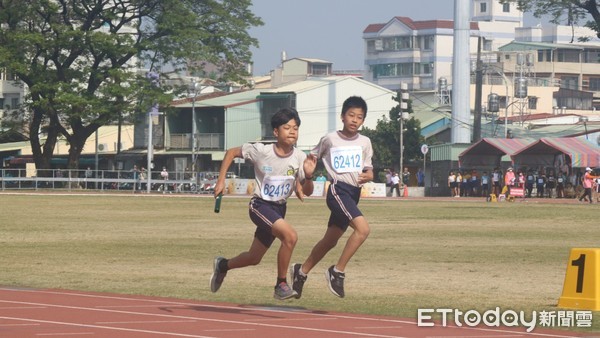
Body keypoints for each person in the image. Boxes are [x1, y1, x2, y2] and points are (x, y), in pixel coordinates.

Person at [209, 107, 317, 300]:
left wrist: (308, 176)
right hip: (260, 206)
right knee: (290, 237)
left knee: (254, 258)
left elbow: (308, 191)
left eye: (296, 128)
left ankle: (222, 265)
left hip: (279, 209)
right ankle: (281, 284)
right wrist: (221, 180)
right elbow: (231, 152)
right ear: (276, 132)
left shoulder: (300, 157)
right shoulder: (261, 151)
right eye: (287, 127)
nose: (292, 131)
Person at [289, 96, 373, 299]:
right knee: (363, 230)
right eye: (351, 115)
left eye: (359, 117)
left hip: (353, 193)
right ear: (342, 116)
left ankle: (301, 272)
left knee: (330, 241)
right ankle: (337, 271)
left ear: (363, 121)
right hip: (337, 190)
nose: (354, 120)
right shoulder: (330, 139)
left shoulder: (365, 142)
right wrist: (302, 178)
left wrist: (369, 175)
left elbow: (369, 169)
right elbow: (311, 158)